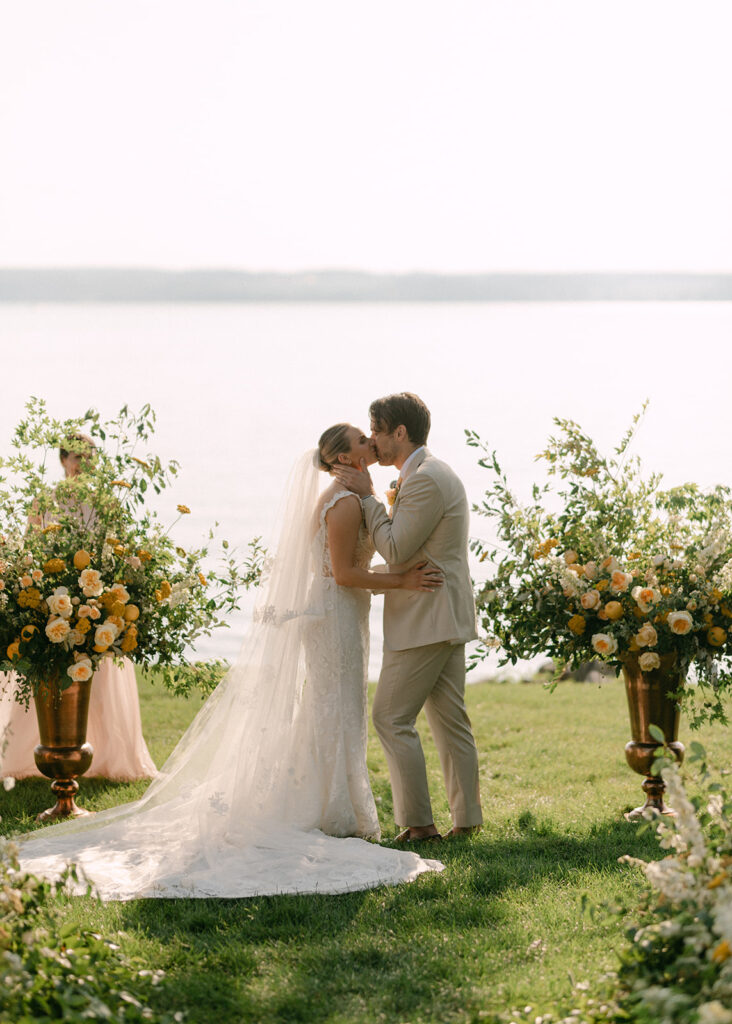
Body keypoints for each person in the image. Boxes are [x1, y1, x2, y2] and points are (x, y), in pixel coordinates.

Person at [13, 426, 444, 899]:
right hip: (336, 619)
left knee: (332, 710)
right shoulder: (341, 502)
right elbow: (341, 574)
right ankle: (335, 812)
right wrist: (402, 581)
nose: (371, 443)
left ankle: (334, 808)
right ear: (344, 456)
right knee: (335, 709)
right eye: (364, 439)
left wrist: (398, 571)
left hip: (342, 617)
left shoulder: (346, 496)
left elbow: (337, 568)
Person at [333, 392, 483, 842]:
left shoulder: (426, 479)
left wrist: (369, 497)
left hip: (426, 617)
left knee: (390, 718)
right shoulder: (423, 473)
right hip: (439, 613)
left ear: (400, 432)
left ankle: (419, 825)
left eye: (376, 431)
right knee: (449, 720)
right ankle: (467, 820)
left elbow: (395, 547)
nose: (373, 440)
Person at [0, 436, 156, 782]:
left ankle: (106, 756)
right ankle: (45, 752)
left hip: (96, 601)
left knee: (101, 682)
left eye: (91, 457)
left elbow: (117, 548)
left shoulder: (106, 502)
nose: (84, 463)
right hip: (53, 599)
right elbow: (31, 543)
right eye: (77, 457)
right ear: (63, 460)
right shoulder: (45, 499)